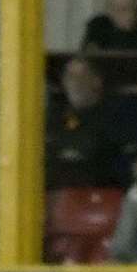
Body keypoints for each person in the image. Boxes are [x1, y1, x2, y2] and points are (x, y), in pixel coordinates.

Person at [46, 55, 124, 189]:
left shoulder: (114, 118)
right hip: (55, 196)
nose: (74, 82)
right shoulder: (54, 117)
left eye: (81, 76)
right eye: (70, 76)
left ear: (96, 81)